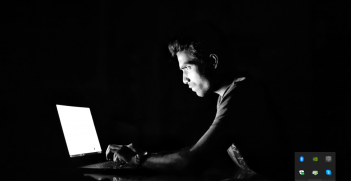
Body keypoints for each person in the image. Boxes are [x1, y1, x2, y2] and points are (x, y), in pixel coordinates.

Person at [106, 21, 293, 180]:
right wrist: (148, 155)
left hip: (313, 171)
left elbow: (192, 162)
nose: (184, 79)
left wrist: (136, 159)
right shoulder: (228, 94)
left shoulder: (242, 94)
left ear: (212, 62)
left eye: (187, 67)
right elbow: (201, 150)